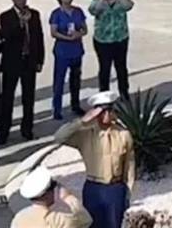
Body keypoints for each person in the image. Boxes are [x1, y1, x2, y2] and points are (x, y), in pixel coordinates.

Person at [54, 91, 135, 228]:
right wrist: (82, 121)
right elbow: (59, 137)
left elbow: (130, 167)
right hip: (94, 187)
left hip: (115, 187)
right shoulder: (86, 134)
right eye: (102, 111)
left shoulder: (123, 134)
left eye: (110, 110)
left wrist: (128, 192)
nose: (107, 115)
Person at [0, 0, 45, 144]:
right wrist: (20, 24)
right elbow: (8, 37)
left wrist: (40, 59)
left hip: (29, 61)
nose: (22, 0)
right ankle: (4, 131)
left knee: (28, 97)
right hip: (12, 62)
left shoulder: (34, 15)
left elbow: (39, 38)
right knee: (7, 98)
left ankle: (27, 129)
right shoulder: (6, 16)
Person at [89, 0, 134, 99]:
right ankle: (104, 95)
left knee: (121, 68)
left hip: (120, 38)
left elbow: (129, 5)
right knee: (104, 69)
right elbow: (93, 10)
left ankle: (124, 93)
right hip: (103, 40)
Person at [49, 0, 88, 119]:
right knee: (59, 80)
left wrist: (79, 34)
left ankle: (75, 104)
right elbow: (53, 32)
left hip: (76, 50)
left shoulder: (78, 11)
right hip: (62, 51)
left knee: (75, 80)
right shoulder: (56, 14)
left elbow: (84, 29)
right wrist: (67, 38)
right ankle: (57, 108)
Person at [12, 166, 92, 228]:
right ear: (47, 194)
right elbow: (87, 221)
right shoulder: (60, 219)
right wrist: (68, 198)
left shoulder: (19, 218)